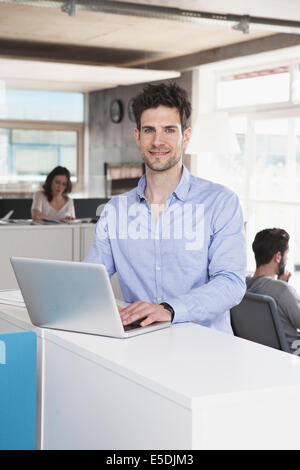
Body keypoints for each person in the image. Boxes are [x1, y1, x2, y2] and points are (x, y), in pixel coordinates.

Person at [85, 82, 246, 333]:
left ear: (186, 137)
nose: (158, 141)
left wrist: (170, 309)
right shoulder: (115, 210)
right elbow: (90, 277)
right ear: (137, 136)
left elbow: (231, 282)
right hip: (140, 345)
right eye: (149, 130)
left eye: (169, 130)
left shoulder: (221, 202)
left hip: (206, 349)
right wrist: (94, 302)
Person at [247, 228, 300, 355]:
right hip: (293, 355)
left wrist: (280, 284)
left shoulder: (242, 286)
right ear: (278, 257)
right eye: (286, 255)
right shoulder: (282, 291)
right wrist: (282, 287)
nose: (286, 260)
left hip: (265, 355)